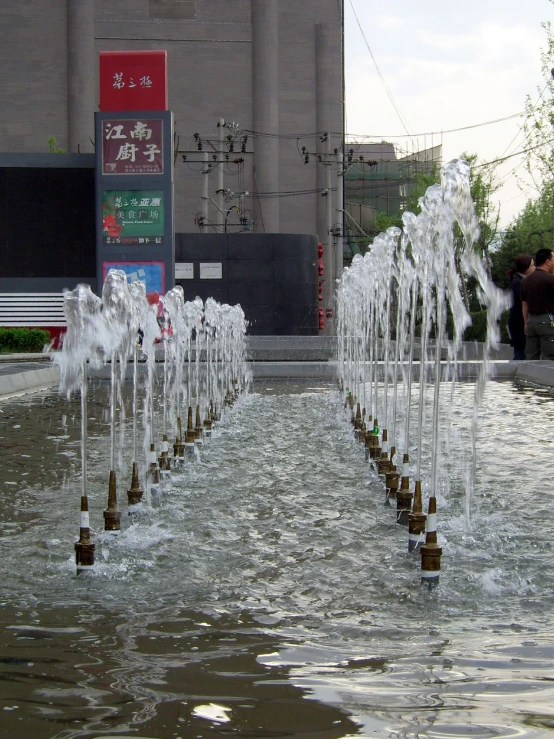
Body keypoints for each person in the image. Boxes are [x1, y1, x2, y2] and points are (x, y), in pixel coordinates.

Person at [520, 248, 554, 360]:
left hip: (531, 321)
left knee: (531, 356)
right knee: (549, 356)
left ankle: (529, 376)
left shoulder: (526, 280)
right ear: (547, 261)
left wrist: (526, 322)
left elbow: (524, 304)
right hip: (546, 320)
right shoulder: (550, 279)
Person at [508, 254, 535, 360]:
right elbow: (523, 303)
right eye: (532, 265)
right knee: (520, 355)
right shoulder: (517, 283)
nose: (534, 268)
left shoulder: (522, 281)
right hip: (519, 325)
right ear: (525, 268)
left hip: (522, 324)